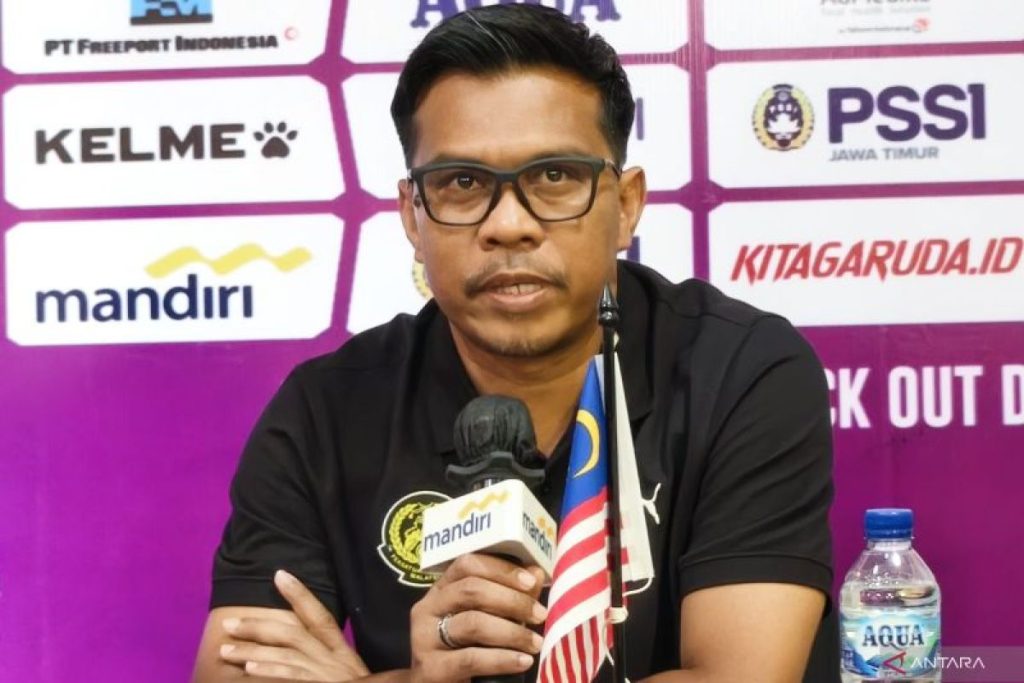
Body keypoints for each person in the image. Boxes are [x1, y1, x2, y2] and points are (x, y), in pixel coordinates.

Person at [191, 5, 837, 682]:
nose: (508, 225)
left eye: (554, 177)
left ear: (625, 205)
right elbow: (232, 669)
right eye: (462, 183)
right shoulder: (328, 407)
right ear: (412, 216)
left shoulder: (740, 372)